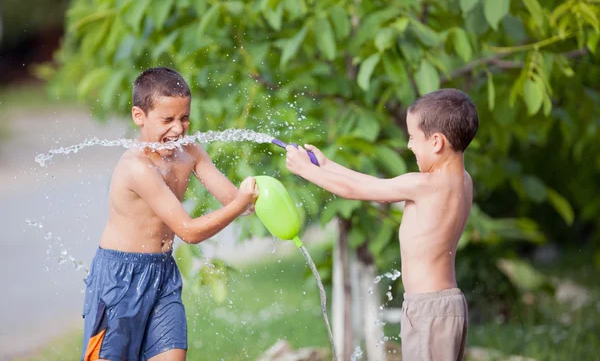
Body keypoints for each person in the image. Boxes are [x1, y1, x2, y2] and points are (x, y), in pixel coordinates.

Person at [286, 88, 478, 360]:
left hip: (427, 310)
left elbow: (355, 191)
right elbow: (374, 185)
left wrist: (306, 170)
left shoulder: (424, 184)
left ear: (436, 142)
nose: (410, 145)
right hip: (447, 305)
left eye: (413, 138)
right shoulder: (463, 181)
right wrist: (328, 165)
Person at [81, 67, 259, 361]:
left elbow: (235, 199)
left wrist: (255, 196)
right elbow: (188, 231)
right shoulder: (137, 167)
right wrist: (239, 205)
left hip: (162, 273)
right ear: (139, 116)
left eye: (184, 118)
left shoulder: (190, 152)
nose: (178, 129)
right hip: (119, 278)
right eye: (167, 120)